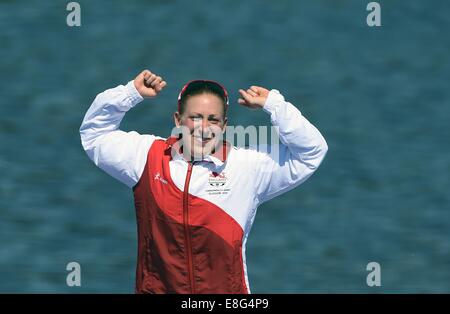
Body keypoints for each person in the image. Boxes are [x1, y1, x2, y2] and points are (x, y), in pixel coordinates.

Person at [79, 69, 328, 294]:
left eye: (213, 119)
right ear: (178, 120)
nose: (204, 128)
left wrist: (274, 105)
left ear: (225, 126)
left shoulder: (247, 167)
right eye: (195, 117)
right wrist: (130, 93)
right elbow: (95, 134)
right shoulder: (147, 157)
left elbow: (311, 152)